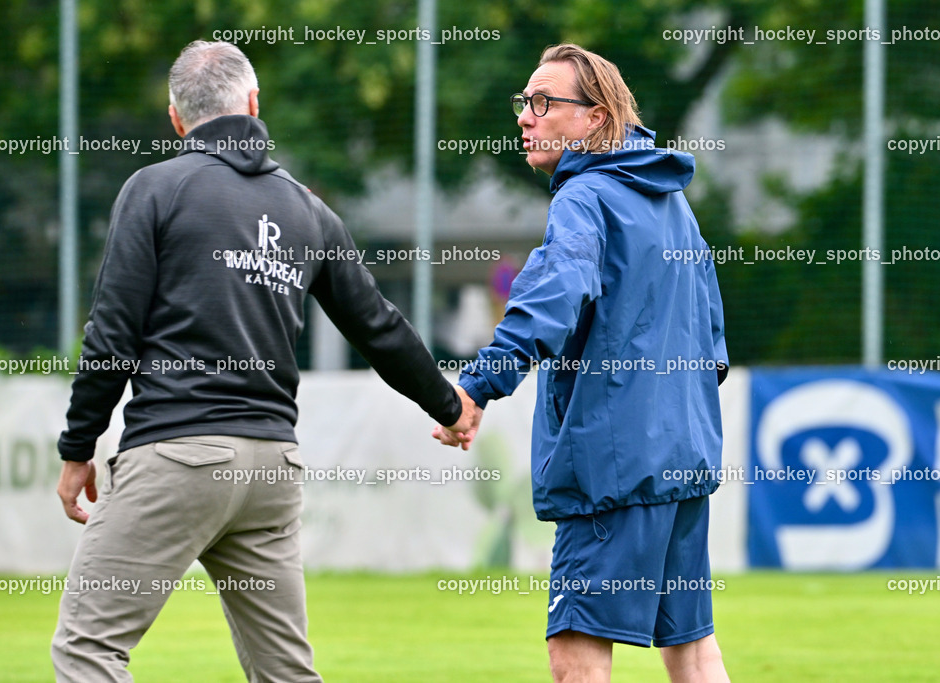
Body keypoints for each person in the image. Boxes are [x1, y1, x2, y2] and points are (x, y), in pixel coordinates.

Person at [52, 40, 474, 683]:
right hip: (271, 469)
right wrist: (450, 405)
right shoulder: (309, 210)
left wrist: (79, 445)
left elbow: (111, 336)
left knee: (89, 648)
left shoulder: (154, 189)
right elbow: (379, 327)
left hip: (178, 454)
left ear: (176, 118)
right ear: (253, 104)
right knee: (286, 674)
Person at [434, 44, 730, 683]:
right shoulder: (670, 201)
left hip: (614, 467)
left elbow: (550, 298)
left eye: (544, 103)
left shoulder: (586, 196)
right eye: (525, 103)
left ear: (594, 119)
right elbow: (712, 335)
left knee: (575, 657)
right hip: (681, 459)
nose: (526, 116)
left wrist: (478, 387)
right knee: (694, 651)